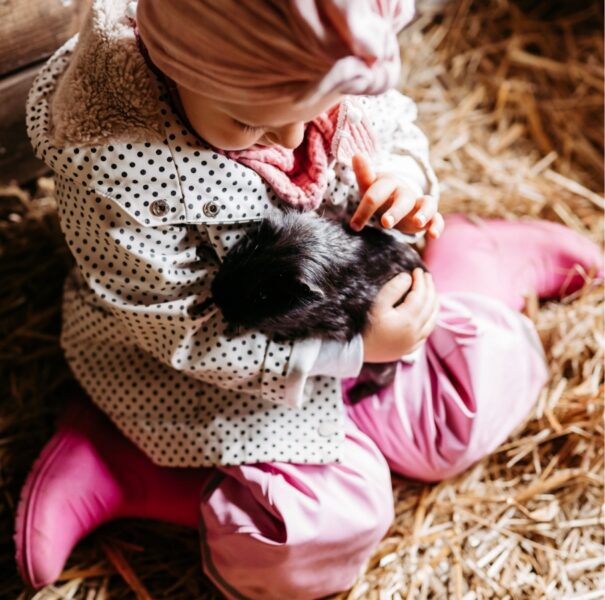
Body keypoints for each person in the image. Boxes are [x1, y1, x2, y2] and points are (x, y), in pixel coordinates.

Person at [15, 0, 603, 598]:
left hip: (360, 285)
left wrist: (402, 181)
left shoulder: (335, 57)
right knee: (313, 530)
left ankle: (472, 261)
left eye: (319, 112)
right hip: (210, 371)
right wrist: (353, 349)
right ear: (175, 61)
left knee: (469, 399)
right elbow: (180, 329)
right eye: (250, 123)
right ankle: (126, 461)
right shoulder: (116, 161)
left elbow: (395, 127)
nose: (295, 138)